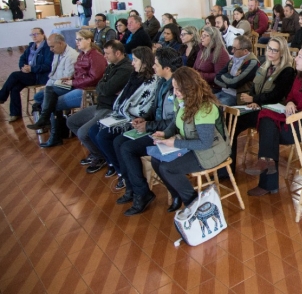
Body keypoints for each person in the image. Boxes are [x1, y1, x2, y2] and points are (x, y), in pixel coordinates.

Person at [245, 44, 302, 196]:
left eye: (299, 56)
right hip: (299, 118)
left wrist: (297, 114)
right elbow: (292, 97)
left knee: (269, 131)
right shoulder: (301, 75)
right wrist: (289, 103)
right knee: (266, 121)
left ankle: (268, 181)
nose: (295, 59)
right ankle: (266, 162)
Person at [113, 48, 183, 215]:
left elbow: (175, 122)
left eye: (156, 64)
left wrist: (149, 126)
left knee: (127, 149)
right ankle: (131, 188)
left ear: (167, 68)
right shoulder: (161, 82)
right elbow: (156, 109)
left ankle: (142, 193)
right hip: (157, 128)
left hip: (170, 134)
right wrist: (145, 120)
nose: (153, 67)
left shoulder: (178, 86)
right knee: (118, 142)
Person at [151, 67, 231, 211]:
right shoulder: (183, 100)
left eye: (178, 89)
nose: (175, 92)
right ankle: (177, 195)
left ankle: (194, 204)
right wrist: (165, 134)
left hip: (212, 151)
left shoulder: (205, 108)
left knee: (168, 168)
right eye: (174, 88)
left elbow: (205, 143)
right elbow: (176, 122)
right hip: (194, 146)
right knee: (156, 160)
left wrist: (175, 142)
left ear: (190, 88)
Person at [86, 46, 159, 187]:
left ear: (144, 62)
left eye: (135, 60)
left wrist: (126, 110)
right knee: (93, 131)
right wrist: (124, 109)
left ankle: (121, 171)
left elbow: (143, 109)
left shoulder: (152, 81)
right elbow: (122, 98)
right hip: (123, 114)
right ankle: (113, 163)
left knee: (105, 137)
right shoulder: (134, 76)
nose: (132, 63)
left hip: (133, 118)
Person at [29, 30, 107, 147]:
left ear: (89, 40)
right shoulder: (82, 54)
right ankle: (50, 127)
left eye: (80, 39)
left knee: (51, 102)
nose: (77, 42)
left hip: (87, 91)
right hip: (77, 85)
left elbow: (94, 78)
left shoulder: (96, 56)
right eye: (76, 39)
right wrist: (71, 77)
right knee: (49, 91)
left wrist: (73, 81)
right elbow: (80, 73)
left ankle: (53, 132)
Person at [68, 40, 134, 171]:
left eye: (107, 53)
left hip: (110, 108)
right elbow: (100, 86)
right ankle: (97, 152)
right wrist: (103, 86)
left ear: (118, 53)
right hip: (100, 105)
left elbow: (107, 88)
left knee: (83, 132)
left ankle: (99, 156)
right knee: (72, 121)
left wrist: (103, 86)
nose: (105, 56)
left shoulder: (125, 69)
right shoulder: (112, 66)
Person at [234, 37, 296, 171]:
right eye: (269, 49)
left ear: (282, 52)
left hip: (272, 111)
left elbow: (276, 96)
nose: (270, 52)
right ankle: (227, 166)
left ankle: (265, 164)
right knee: (232, 120)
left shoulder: (287, 71)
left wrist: (255, 100)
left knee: (262, 124)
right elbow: (254, 86)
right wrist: (252, 98)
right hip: (257, 106)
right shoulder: (264, 64)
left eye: (275, 50)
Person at [0, 28, 52, 121]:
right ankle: (15, 114)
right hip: (28, 74)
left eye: (36, 34)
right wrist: (23, 67)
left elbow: (47, 66)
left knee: (14, 75)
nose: (34, 36)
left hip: (39, 76)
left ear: (43, 35)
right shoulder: (31, 46)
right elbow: (22, 59)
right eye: (32, 35)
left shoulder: (47, 48)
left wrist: (32, 68)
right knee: (15, 87)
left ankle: (2, 96)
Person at [214, 36, 260, 106]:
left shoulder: (252, 62)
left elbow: (235, 83)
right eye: (232, 48)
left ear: (245, 51)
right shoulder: (234, 58)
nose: (232, 51)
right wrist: (232, 77)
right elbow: (216, 78)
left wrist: (227, 78)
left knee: (213, 108)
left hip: (236, 97)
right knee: (202, 104)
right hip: (223, 91)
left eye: (235, 49)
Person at [194, 25, 230, 92]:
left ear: (213, 38)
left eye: (205, 36)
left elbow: (219, 75)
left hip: (213, 87)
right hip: (200, 84)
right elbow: (195, 67)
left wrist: (200, 75)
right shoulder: (202, 50)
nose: (201, 38)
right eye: (201, 36)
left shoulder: (220, 53)